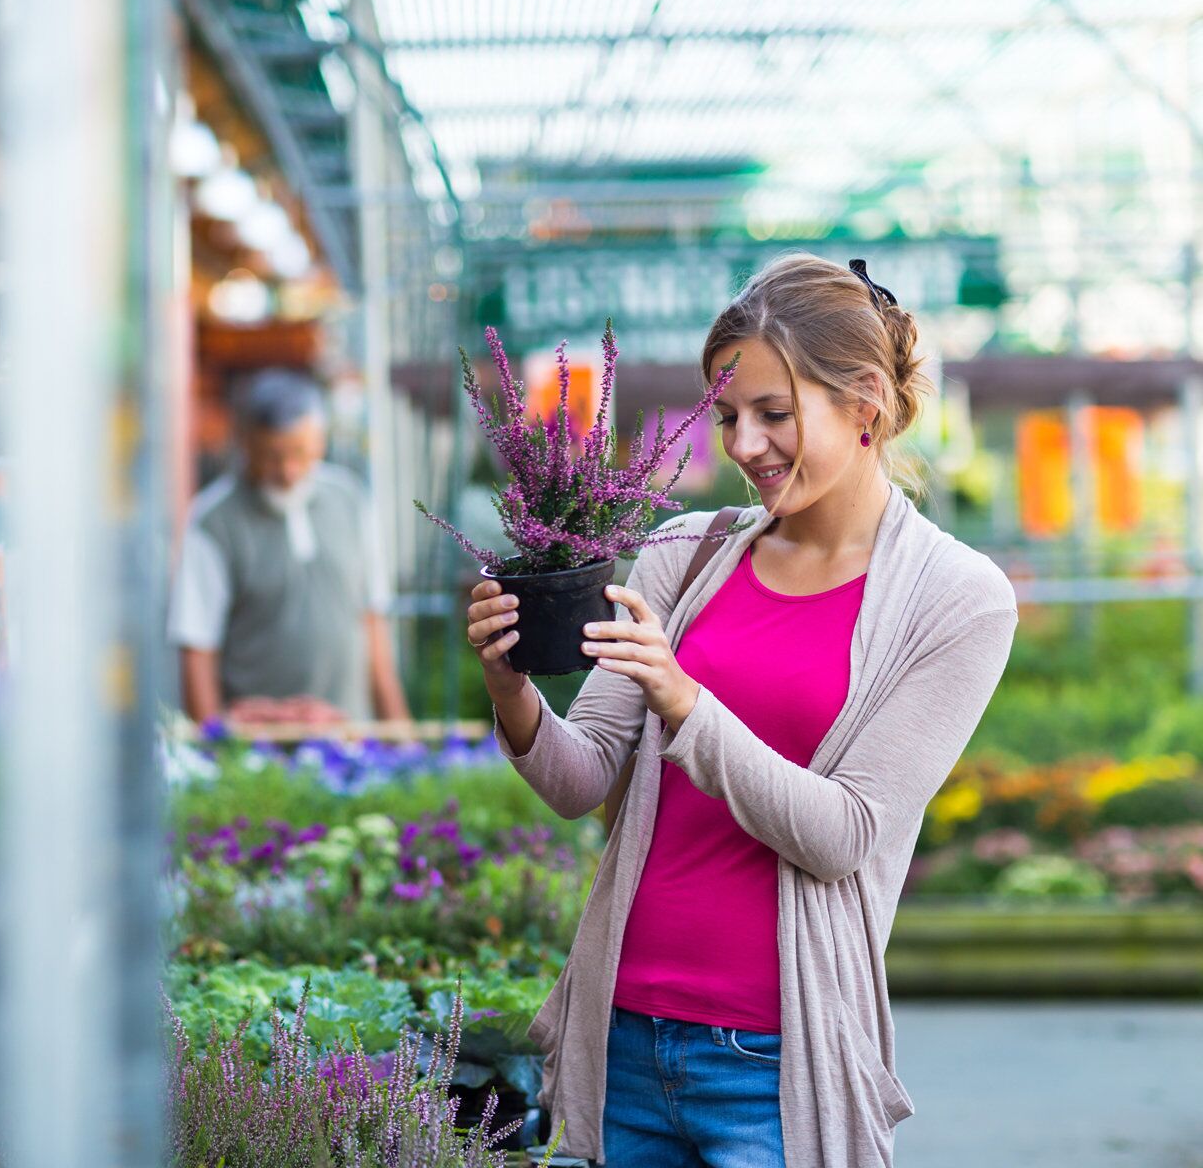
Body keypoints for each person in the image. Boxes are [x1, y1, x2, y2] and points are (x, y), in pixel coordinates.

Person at [465, 254, 1017, 1167]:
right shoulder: (686, 552)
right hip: (623, 1034)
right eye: (727, 417)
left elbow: (845, 834)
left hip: (774, 1064)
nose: (744, 446)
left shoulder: (956, 598)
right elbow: (581, 777)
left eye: (774, 413)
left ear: (866, 402)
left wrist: (684, 700)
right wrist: (509, 683)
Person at [169, 369, 410, 726]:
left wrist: (397, 727)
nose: (287, 470)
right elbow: (196, 645)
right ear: (245, 444)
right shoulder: (212, 521)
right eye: (272, 456)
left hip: (349, 741)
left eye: (299, 452)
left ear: (320, 441)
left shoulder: (350, 500)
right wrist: (213, 744)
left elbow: (372, 618)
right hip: (255, 749)